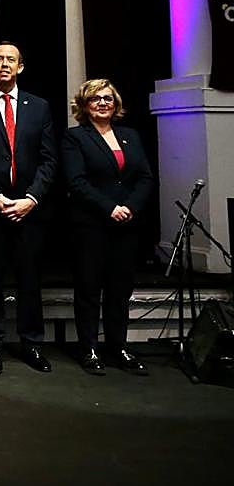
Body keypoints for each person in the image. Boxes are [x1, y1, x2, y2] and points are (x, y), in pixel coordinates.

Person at [0, 42, 57, 374]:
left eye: (11, 60)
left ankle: (32, 343)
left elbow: (49, 160)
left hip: (29, 209)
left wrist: (30, 199)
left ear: (20, 67)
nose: (4, 65)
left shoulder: (40, 107)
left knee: (29, 280)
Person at [62, 79, 154, 377]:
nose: (102, 103)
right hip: (91, 225)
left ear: (116, 104)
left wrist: (130, 207)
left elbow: (145, 178)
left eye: (108, 98)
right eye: (95, 99)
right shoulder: (75, 137)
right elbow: (76, 181)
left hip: (126, 225)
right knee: (89, 289)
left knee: (120, 289)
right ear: (84, 106)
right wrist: (109, 208)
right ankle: (88, 347)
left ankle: (119, 347)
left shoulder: (130, 135)